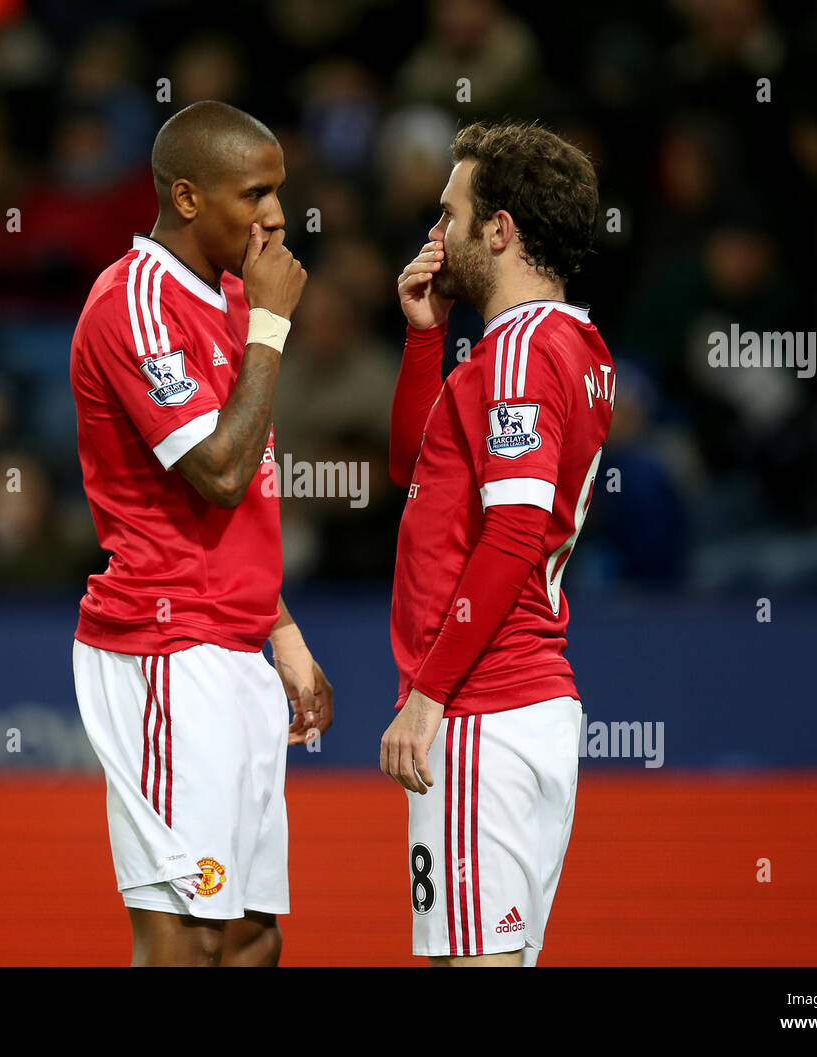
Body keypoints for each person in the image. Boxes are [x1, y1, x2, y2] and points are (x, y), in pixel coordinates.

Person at [69, 101, 332, 967]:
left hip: (232, 643)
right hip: (163, 644)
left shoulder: (225, 297)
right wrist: (271, 327)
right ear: (187, 195)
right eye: (254, 194)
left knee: (252, 934)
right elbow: (218, 471)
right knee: (184, 939)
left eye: (280, 193)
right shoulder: (134, 305)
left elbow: (241, 496)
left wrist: (282, 632)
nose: (276, 218)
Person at [381, 121, 612, 966]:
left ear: (500, 229)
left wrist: (430, 694)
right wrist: (423, 334)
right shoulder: (569, 348)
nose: (434, 236)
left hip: (484, 706)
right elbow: (413, 466)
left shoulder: (518, 355)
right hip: (524, 705)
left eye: (449, 215)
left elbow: (514, 530)